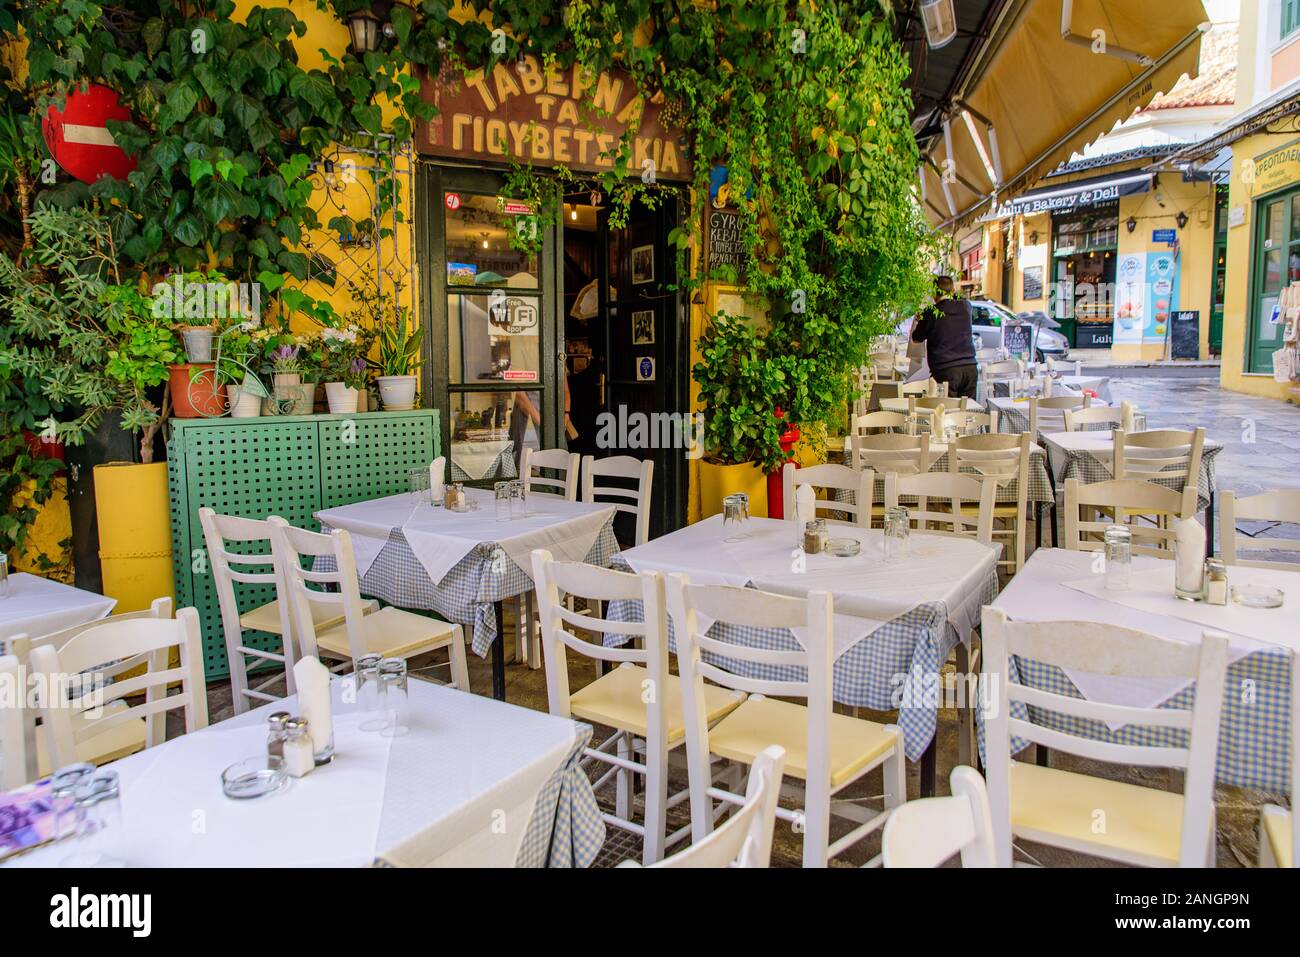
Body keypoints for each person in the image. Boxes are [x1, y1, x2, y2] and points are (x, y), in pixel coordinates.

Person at [910, 275, 978, 400]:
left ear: (934, 293)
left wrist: (921, 320)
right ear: (952, 291)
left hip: (945, 369)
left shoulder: (930, 312)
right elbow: (959, 298)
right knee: (968, 412)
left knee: (946, 413)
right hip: (970, 367)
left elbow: (917, 337)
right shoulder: (966, 306)